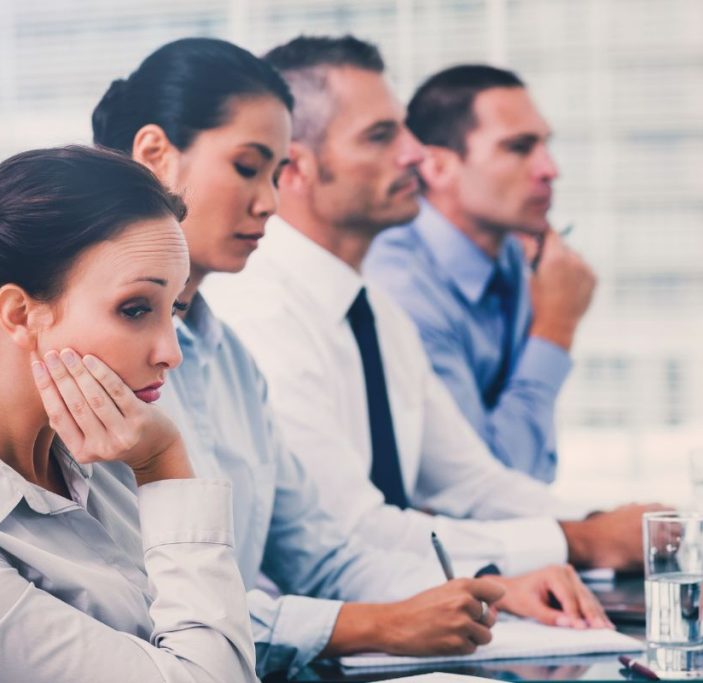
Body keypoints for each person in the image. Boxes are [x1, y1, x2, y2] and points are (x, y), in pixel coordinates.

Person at [93, 37, 610, 678]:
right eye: (249, 168)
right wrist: (378, 624)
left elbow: (323, 552)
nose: (269, 203)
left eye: (274, 173)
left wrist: (490, 583)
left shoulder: (230, 359)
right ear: (155, 156)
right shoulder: (95, 358)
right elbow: (137, 606)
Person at [204, 35, 658, 581]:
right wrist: (579, 541)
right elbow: (350, 532)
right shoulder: (259, 312)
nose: (416, 154)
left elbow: (471, 481)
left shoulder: (373, 309)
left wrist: (624, 526)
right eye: (380, 136)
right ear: (295, 167)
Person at [0, 146, 258, 682]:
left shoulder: (104, 441)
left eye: (175, 310)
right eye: (136, 309)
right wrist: (164, 465)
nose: (171, 352)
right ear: (20, 313)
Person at [364, 64, 596, 483]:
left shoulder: (514, 256)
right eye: (519, 148)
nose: (550, 169)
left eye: (545, 145)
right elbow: (488, 484)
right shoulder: (402, 290)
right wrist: (555, 328)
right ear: (436, 168)